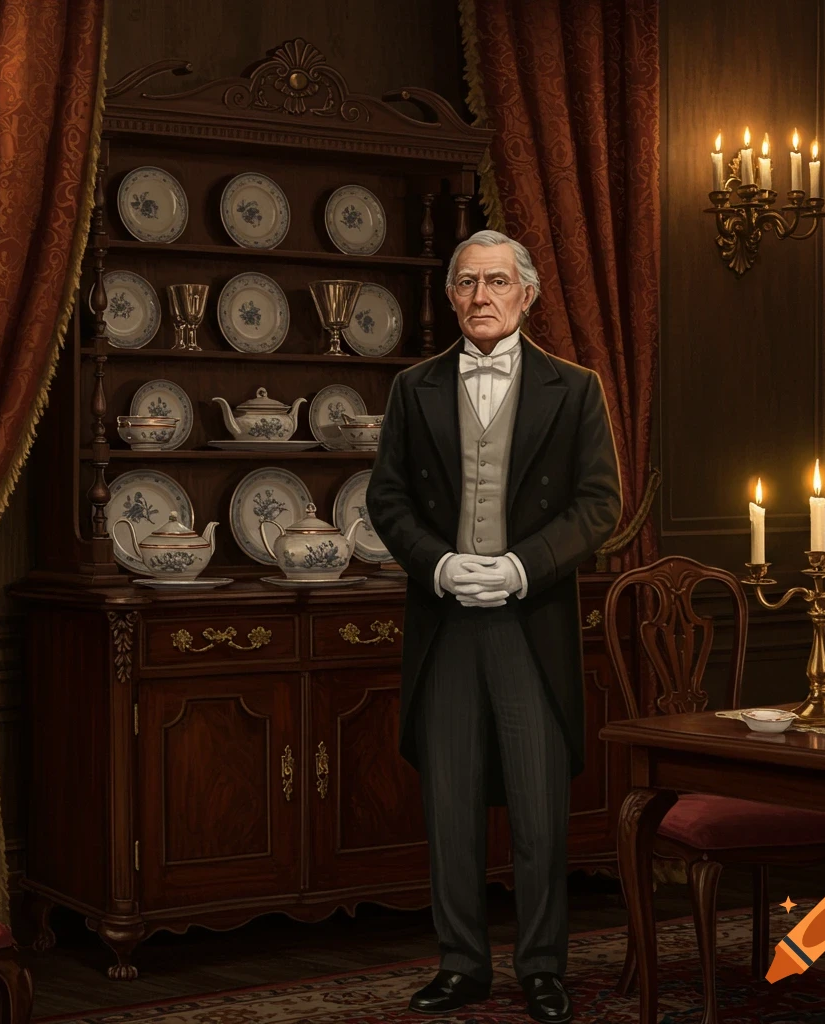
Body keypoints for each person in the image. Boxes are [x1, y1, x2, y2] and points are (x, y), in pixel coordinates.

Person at [366, 229, 622, 1024]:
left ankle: (543, 968)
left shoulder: (575, 388)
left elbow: (599, 505)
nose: (481, 297)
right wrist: (439, 566)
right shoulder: (413, 387)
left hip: (530, 619)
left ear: (527, 295)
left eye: (497, 283)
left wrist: (519, 568)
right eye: (468, 284)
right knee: (450, 803)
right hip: (446, 621)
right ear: (450, 297)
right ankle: (461, 966)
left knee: (541, 808)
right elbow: (388, 501)